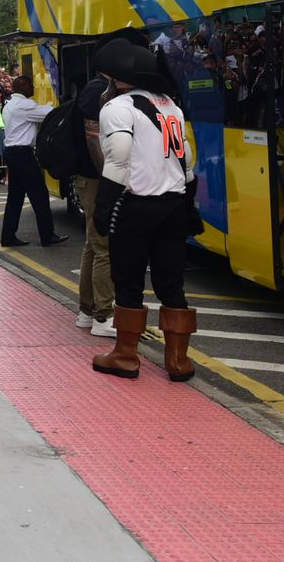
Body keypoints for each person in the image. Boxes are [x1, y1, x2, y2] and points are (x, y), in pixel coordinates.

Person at [90, 39, 198, 382]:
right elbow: (188, 159)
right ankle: (178, 361)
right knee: (172, 283)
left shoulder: (117, 107)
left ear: (114, 76)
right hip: (175, 204)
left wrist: (104, 204)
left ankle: (125, 355)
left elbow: (119, 154)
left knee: (128, 281)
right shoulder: (171, 105)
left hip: (135, 206)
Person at [0, 75, 68, 248]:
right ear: (23, 86)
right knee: (40, 195)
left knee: (15, 198)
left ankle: (8, 236)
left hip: (12, 153)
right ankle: (47, 235)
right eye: (31, 85)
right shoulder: (25, 105)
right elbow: (49, 113)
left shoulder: (9, 105)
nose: (34, 87)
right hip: (23, 155)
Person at [74, 68, 117, 338]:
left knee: (93, 244)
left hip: (90, 179)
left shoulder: (98, 89)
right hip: (95, 180)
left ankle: (87, 311)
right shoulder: (96, 92)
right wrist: (109, 178)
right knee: (104, 246)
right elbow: (93, 138)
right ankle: (103, 315)